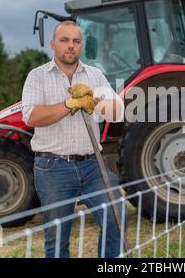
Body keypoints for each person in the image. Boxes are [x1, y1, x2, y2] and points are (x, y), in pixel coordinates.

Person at [21, 20, 125, 258]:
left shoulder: (94, 75)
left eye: (76, 41)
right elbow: (31, 116)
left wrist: (96, 99)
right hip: (53, 168)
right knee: (57, 238)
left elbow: (117, 112)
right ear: (52, 44)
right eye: (64, 40)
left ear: (82, 46)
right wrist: (70, 104)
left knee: (116, 216)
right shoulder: (37, 77)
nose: (71, 46)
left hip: (92, 165)